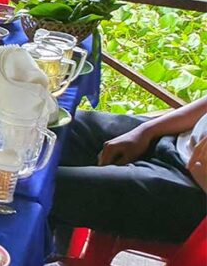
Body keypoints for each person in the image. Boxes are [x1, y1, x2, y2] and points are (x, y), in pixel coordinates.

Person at [51, 98, 207, 243]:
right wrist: (146, 130)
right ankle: (60, 246)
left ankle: (41, 260)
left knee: (44, 188)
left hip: (192, 188)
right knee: (54, 128)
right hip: (177, 137)